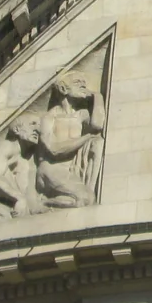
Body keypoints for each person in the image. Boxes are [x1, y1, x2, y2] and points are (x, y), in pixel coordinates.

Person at [31, 71, 104, 208]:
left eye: (84, 83)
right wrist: (85, 137)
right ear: (63, 89)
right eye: (77, 83)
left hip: (70, 170)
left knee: (86, 199)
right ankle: (44, 202)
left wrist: (97, 96)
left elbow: (97, 125)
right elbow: (54, 149)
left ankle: (50, 201)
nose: (83, 86)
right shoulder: (49, 118)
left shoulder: (81, 114)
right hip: (50, 170)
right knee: (86, 199)